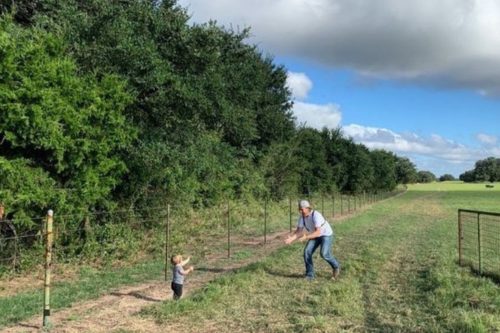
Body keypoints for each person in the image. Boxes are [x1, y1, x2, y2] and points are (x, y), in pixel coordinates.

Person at [285, 199, 340, 280]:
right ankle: (310, 275)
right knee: (307, 252)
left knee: (324, 254)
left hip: (325, 234)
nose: (300, 211)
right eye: (299, 209)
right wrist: (291, 239)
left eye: (302, 209)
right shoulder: (302, 218)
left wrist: (306, 237)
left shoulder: (316, 215)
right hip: (315, 235)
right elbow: (299, 231)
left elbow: (318, 232)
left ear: (307, 208)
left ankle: (336, 266)